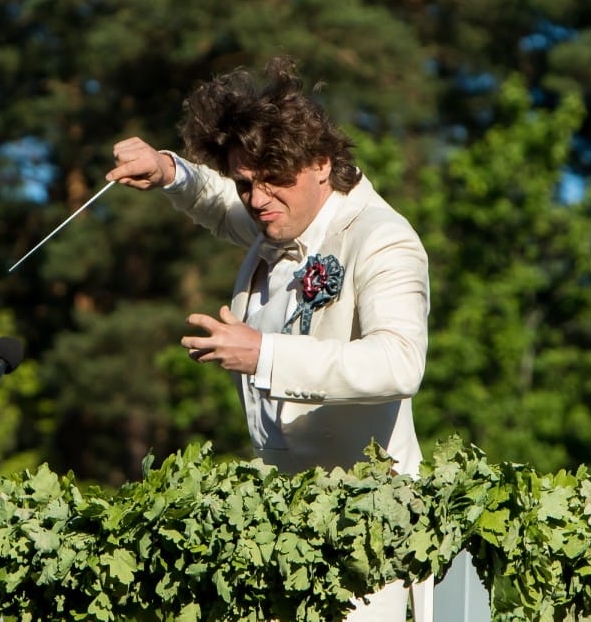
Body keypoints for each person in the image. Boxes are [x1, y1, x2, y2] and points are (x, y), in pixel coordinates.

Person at [106, 57, 431, 622]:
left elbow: (400, 364)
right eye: (246, 183)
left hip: (372, 543)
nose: (256, 201)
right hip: (280, 534)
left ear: (323, 163)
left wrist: (264, 354)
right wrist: (167, 170)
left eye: (272, 179)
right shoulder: (277, 215)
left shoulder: (383, 240)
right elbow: (217, 200)